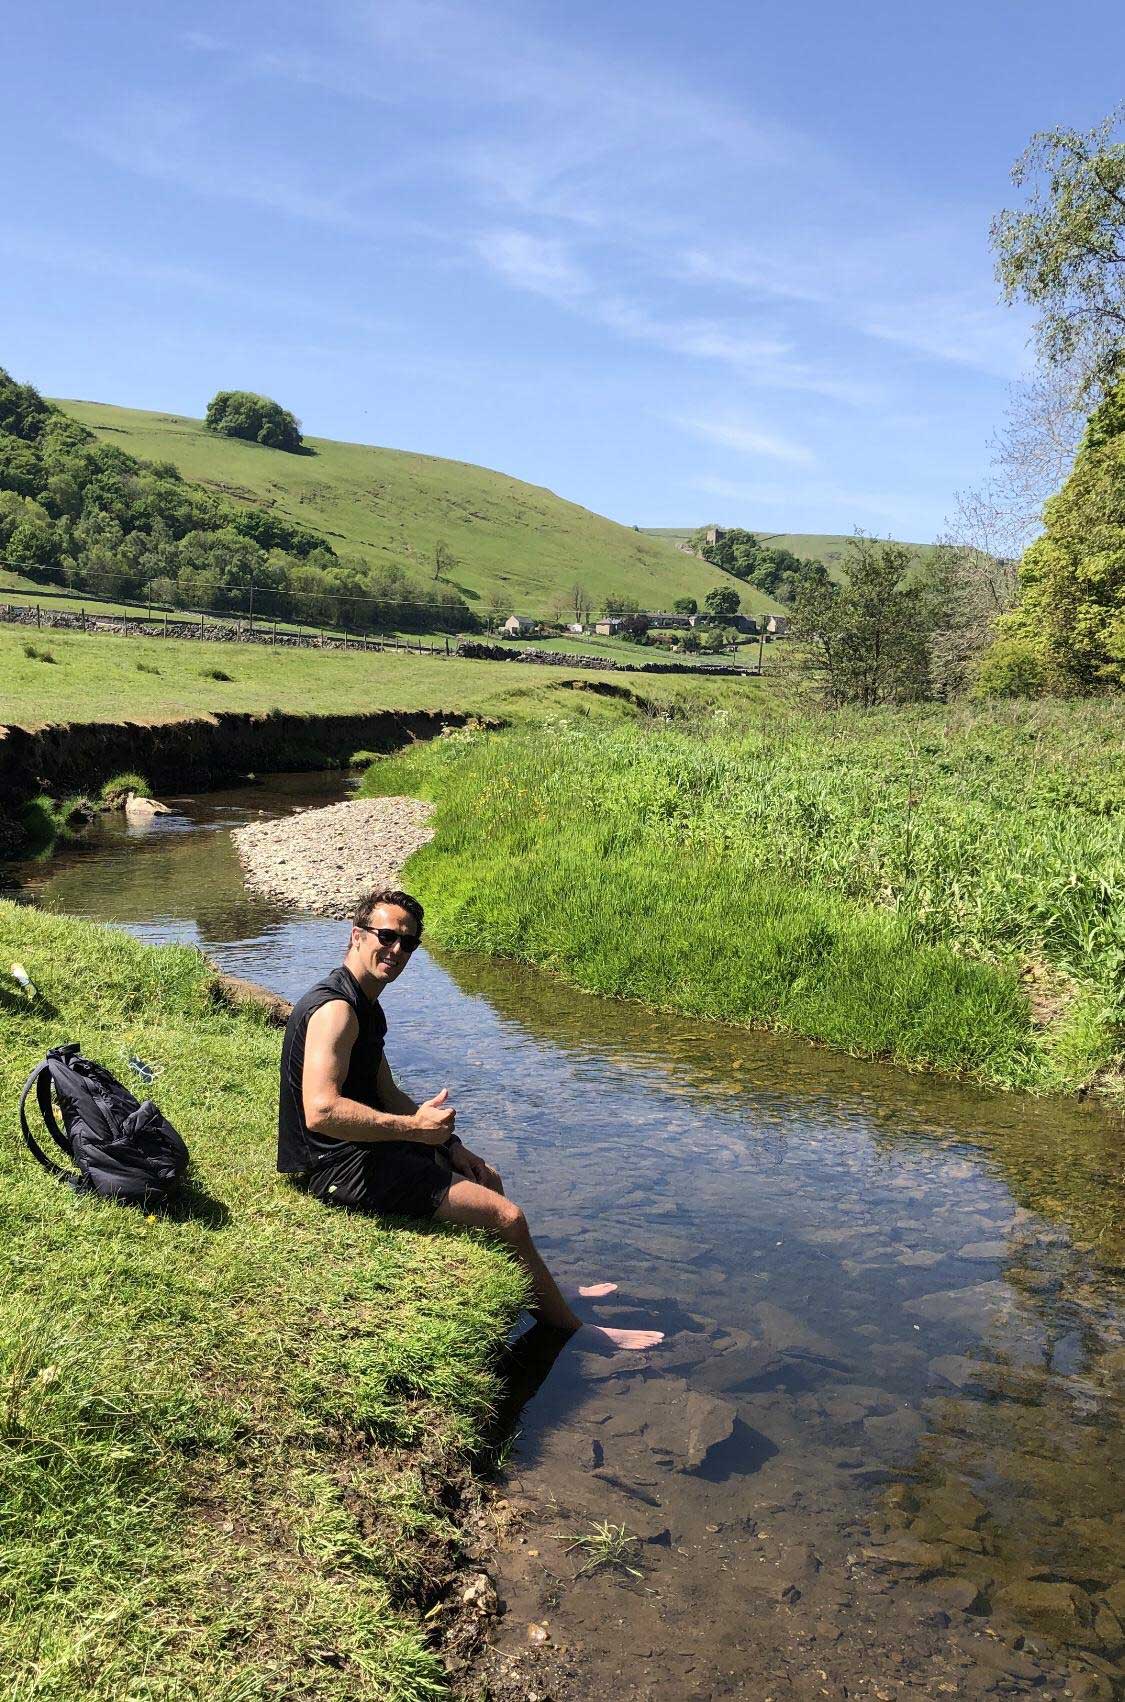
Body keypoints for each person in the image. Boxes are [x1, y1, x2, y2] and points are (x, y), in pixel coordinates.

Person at [278, 887, 663, 1353]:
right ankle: (576, 1334)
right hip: (333, 1168)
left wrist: (451, 1146)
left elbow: (386, 1093)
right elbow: (320, 1112)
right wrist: (415, 1131)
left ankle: (544, 1289)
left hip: (359, 1149)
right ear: (357, 935)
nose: (397, 950)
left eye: (409, 942)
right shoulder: (337, 1010)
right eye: (387, 936)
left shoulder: (366, 1005)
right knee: (507, 1215)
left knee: (485, 1176)